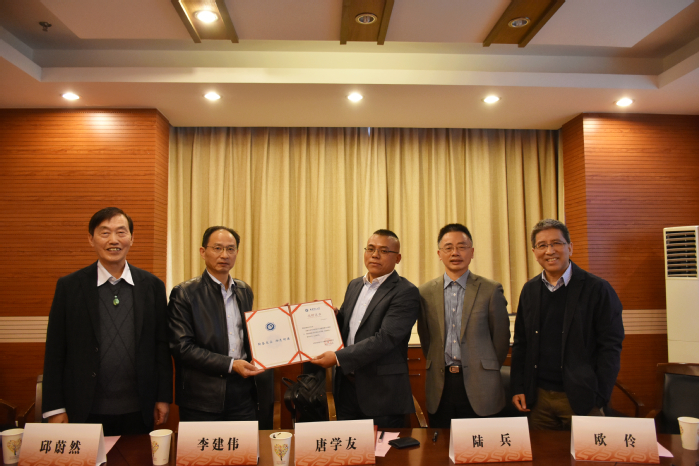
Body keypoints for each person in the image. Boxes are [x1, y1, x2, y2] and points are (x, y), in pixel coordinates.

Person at [42, 207, 172, 435]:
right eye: (105, 233)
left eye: (121, 232)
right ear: (91, 239)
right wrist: (54, 408)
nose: (114, 240)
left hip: (138, 408)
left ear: (132, 238)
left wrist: (163, 397)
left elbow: (161, 347)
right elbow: (55, 350)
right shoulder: (69, 287)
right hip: (83, 408)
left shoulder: (152, 286)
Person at [511, 219, 624, 430]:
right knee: (541, 451)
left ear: (570, 247)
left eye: (557, 243)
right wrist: (518, 387)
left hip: (582, 398)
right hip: (538, 400)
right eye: (542, 245)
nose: (550, 251)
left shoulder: (597, 289)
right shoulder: (530, 290)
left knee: (586, 452)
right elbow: (521, 343)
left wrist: (600, 396)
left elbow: (610, 346)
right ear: (534, 252)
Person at [311, 229, 420, 428]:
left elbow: (385, 338)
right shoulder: (355, 285)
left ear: (398, 258)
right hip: (347, 387)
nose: (375, 255)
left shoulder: (406, 292)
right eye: (370, 249)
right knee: (349, 445)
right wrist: (330, 317)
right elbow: (350, 325)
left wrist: (338, 357)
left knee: (384, 448)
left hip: (382, 394)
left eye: (383, 251)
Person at [417, 223, 510, 427]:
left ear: (472, 252)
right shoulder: (424, 292)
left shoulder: (490, 289)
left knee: (480, 443)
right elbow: (427, 338)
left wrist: (484, 367)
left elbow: (501, 339)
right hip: (440, 385)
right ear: (439, 254)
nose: (455, 253)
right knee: (442, 443)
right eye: (448, 248)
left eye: (462, 247)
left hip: (481, 385)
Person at [168, 226, 263, 421]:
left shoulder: (244, 290)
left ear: (237, 252)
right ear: (203, 252)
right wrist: (230, 364)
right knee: (203, 443)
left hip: (243, 391)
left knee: (245, 442)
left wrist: (279, 322)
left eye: (230, 249)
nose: (224, 255)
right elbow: (182, 347)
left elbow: (247, 335)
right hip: (202, 396)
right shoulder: (185, 293)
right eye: (217, 248)